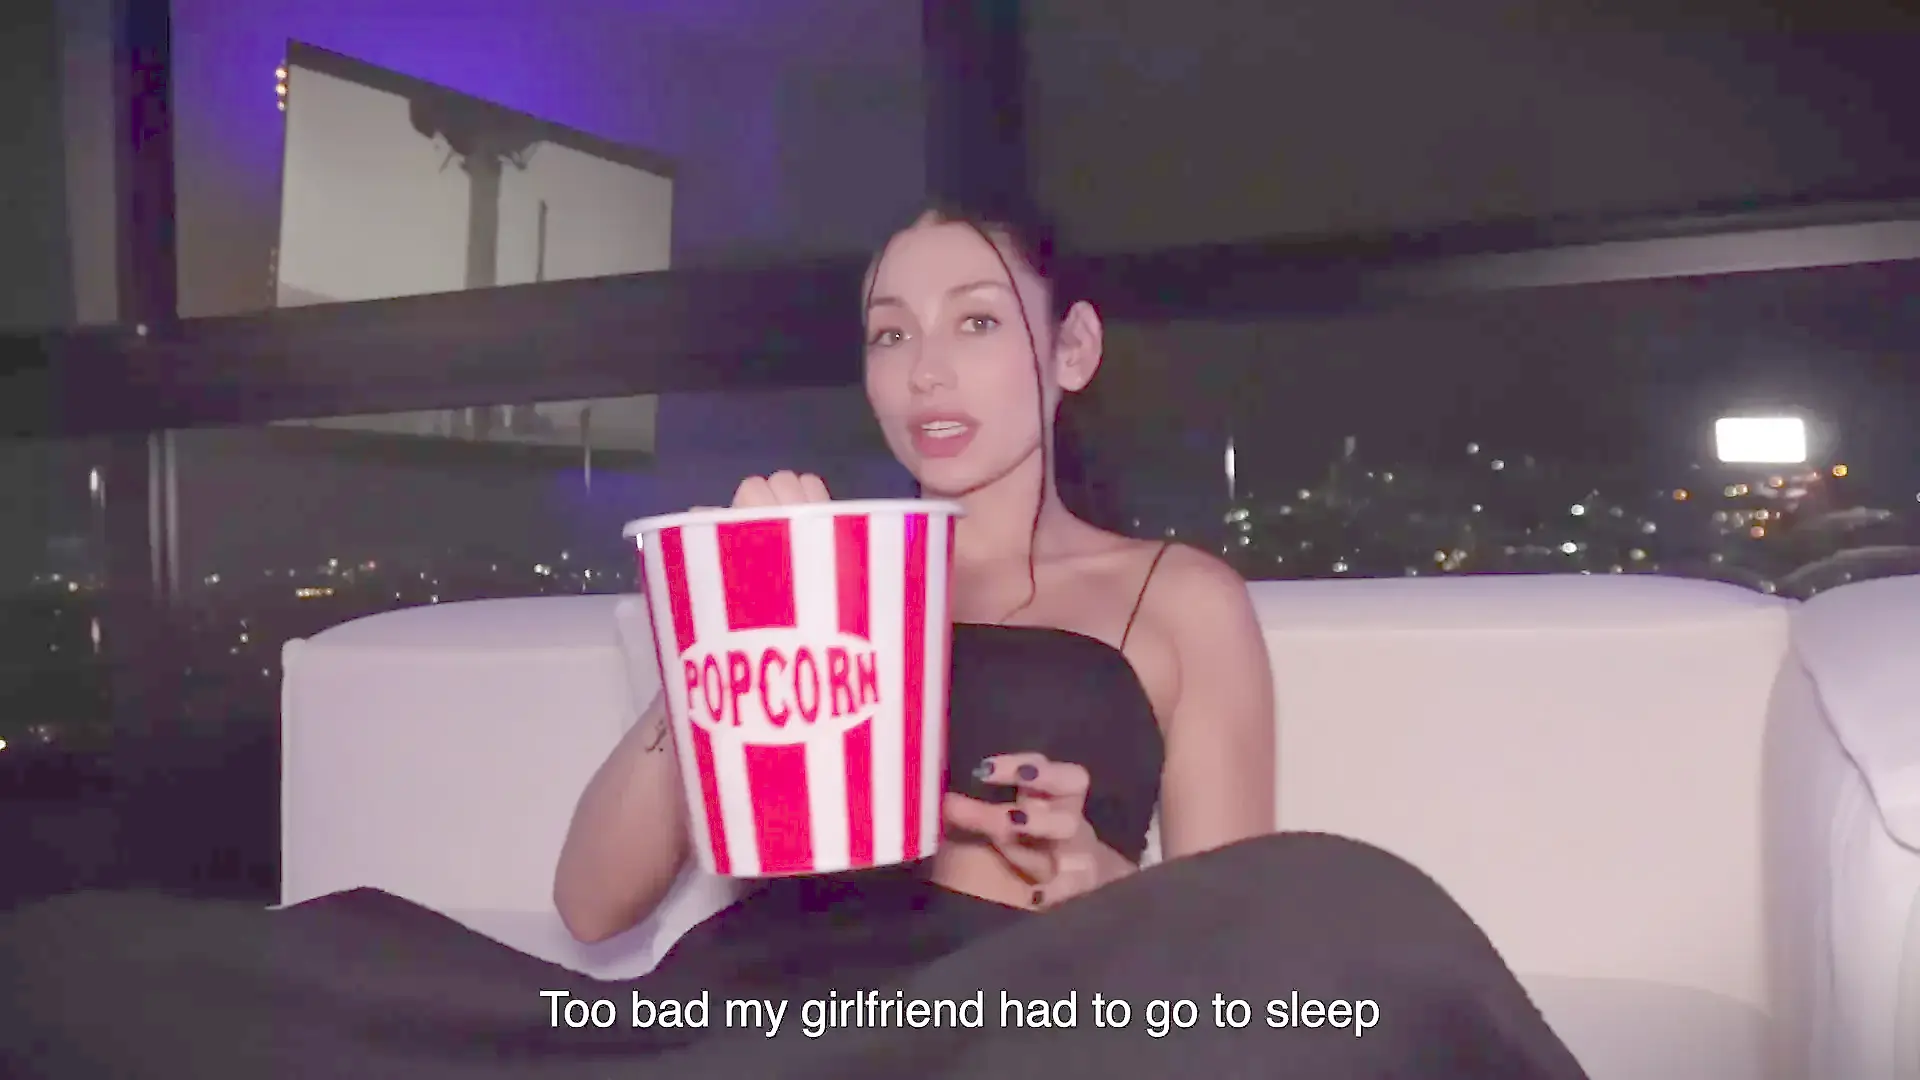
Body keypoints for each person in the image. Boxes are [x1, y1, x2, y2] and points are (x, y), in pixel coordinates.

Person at [0, 204, 1589, 1080]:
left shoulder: (1175, 595)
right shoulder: (810, 569)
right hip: (750, 1008)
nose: (925, 370)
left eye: (975, 321)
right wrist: (733, 620)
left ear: (1070, 351)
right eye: (891, 334)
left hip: (1011, 1011)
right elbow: (594, 902)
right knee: (92, 964)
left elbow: (1235, 924)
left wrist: (1105, 877)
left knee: (1348, 917)